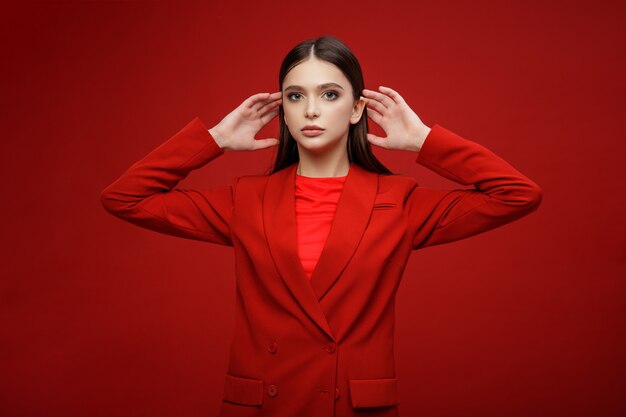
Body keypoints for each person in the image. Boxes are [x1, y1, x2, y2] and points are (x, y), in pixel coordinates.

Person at [101, 35, 542, 417]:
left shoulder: (399, 201)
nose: (311, 110)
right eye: (295, 96)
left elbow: (517, 194)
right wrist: (213, 140)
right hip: (263, 406)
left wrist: (426, 140)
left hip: (352, 408)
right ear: (284, 113)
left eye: (330, 94)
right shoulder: (246, 199)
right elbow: (125, 198)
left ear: (357, 109)